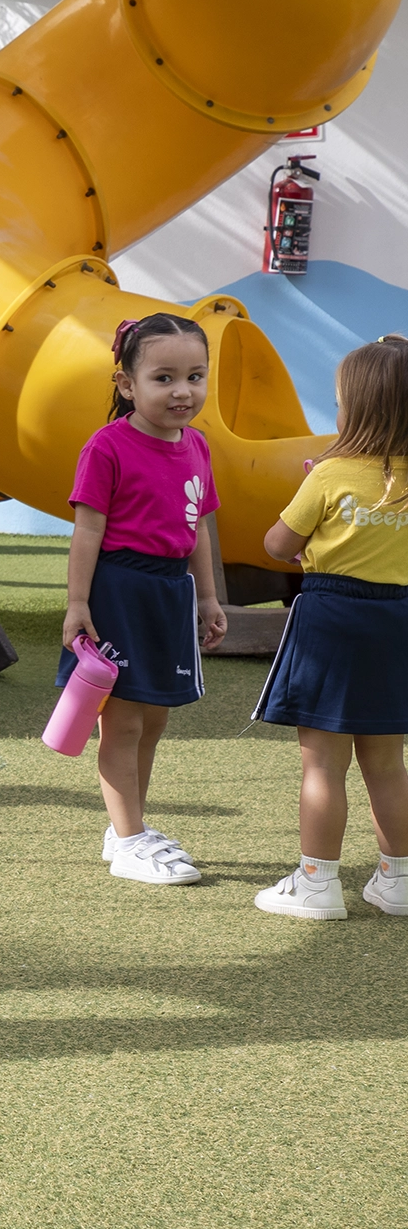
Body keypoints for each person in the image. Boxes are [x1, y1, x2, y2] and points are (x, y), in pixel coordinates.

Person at [60, 313, 227, 885]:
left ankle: (125, 827)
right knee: (123, 724)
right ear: (127, 384)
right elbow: (87, 531)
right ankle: (131, 841)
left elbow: (199, 526)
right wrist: (77, 604)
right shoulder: (106, 447)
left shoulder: (198, 446)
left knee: (153, 720)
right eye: (164, 378)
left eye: (195, 376)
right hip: (120, 591)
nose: (183, 391)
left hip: (170, 593)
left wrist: (206, 597)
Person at [253, 335, 408, 920]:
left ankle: (317, 884)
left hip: (332, 622)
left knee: (323, 764)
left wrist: (321, 502)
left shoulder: (329, 473)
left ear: (355, 409)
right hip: (398, 621)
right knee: (388, 763)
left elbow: (276, 545)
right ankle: (399, 883)